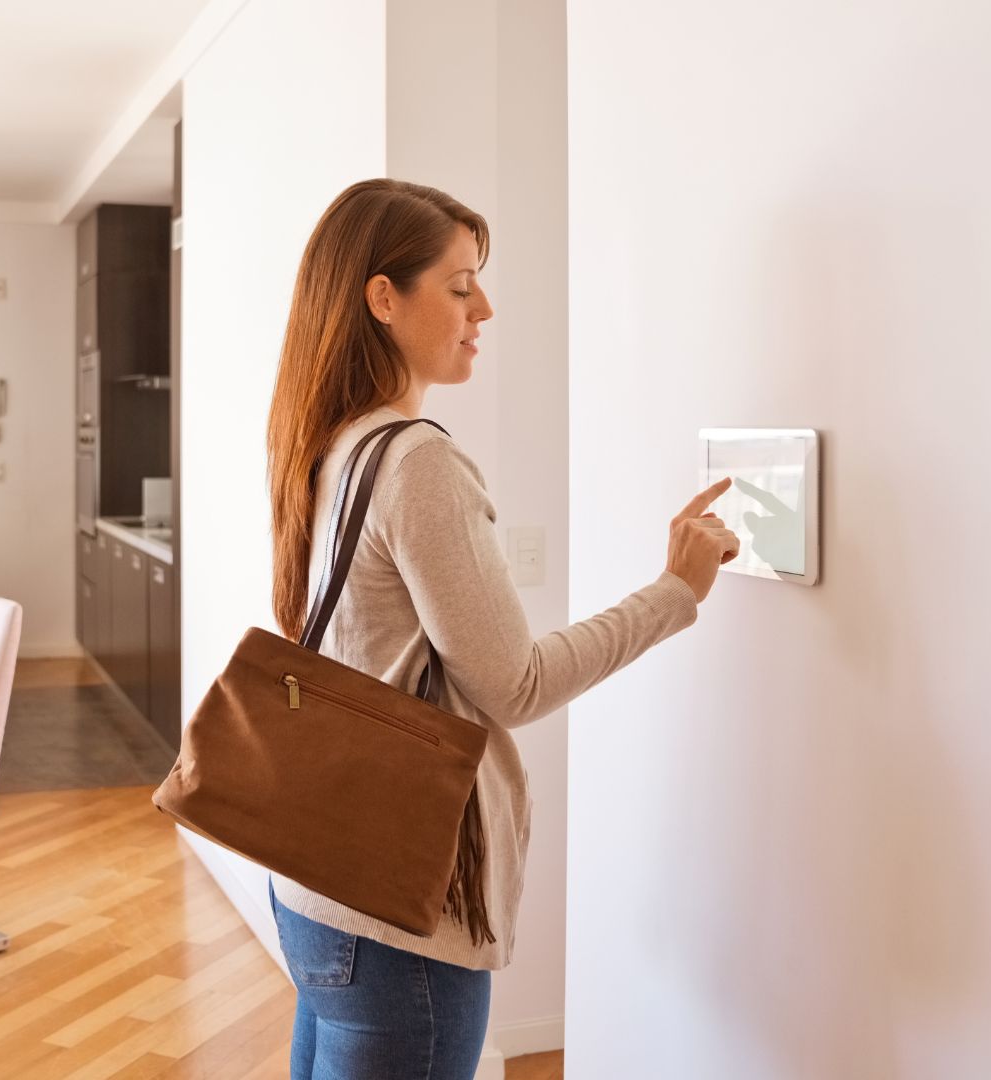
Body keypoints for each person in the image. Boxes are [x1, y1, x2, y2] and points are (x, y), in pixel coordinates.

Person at [264, 178, 739, 1080]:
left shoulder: (322, 446)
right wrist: (675, 591)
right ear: (383, 298)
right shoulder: (416, 462)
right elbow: (513, 685)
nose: (485, 307)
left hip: (314, 884)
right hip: (399, 913)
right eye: (459, 285)